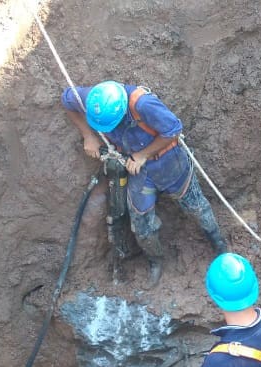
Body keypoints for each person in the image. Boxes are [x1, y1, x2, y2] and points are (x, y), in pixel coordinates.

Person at [61, 80, 229, 285]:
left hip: (169, 163)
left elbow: (173, 130)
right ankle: (156, 261)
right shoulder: (94, 100)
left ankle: (219, 246)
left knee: (196, 207)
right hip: (140, 173)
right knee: (141, 224)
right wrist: (88, 135)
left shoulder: (142, 104)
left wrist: (142, 155)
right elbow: (66, 99)